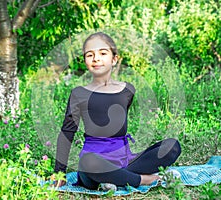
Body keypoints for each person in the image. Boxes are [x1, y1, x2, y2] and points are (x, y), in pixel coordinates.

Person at [53, 32, 181, 189]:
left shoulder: (127, 90)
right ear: (85, 60)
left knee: (172, 146)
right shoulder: (79, 93)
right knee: (88, 161)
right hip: (93, 165)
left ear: (114, 59)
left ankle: (114, 178)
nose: (96, 58)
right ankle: (147, 179)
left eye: (103, 53)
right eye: (90, 55)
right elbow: (67, 132)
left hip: (125, 160)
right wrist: (59, 172)